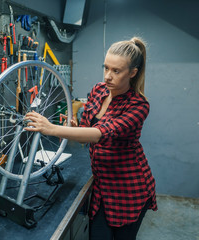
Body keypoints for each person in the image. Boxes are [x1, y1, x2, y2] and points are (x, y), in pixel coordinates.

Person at [25, 37, 157, 240]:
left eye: (116, 71)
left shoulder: (138, 106)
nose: (108, 76)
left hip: (129, 188)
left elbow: (100, 134)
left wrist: (51, 128)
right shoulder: (98, 90)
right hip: (103, 184)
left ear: (132, 73)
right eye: (106, 68)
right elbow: (86, 136)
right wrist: (75, 129)